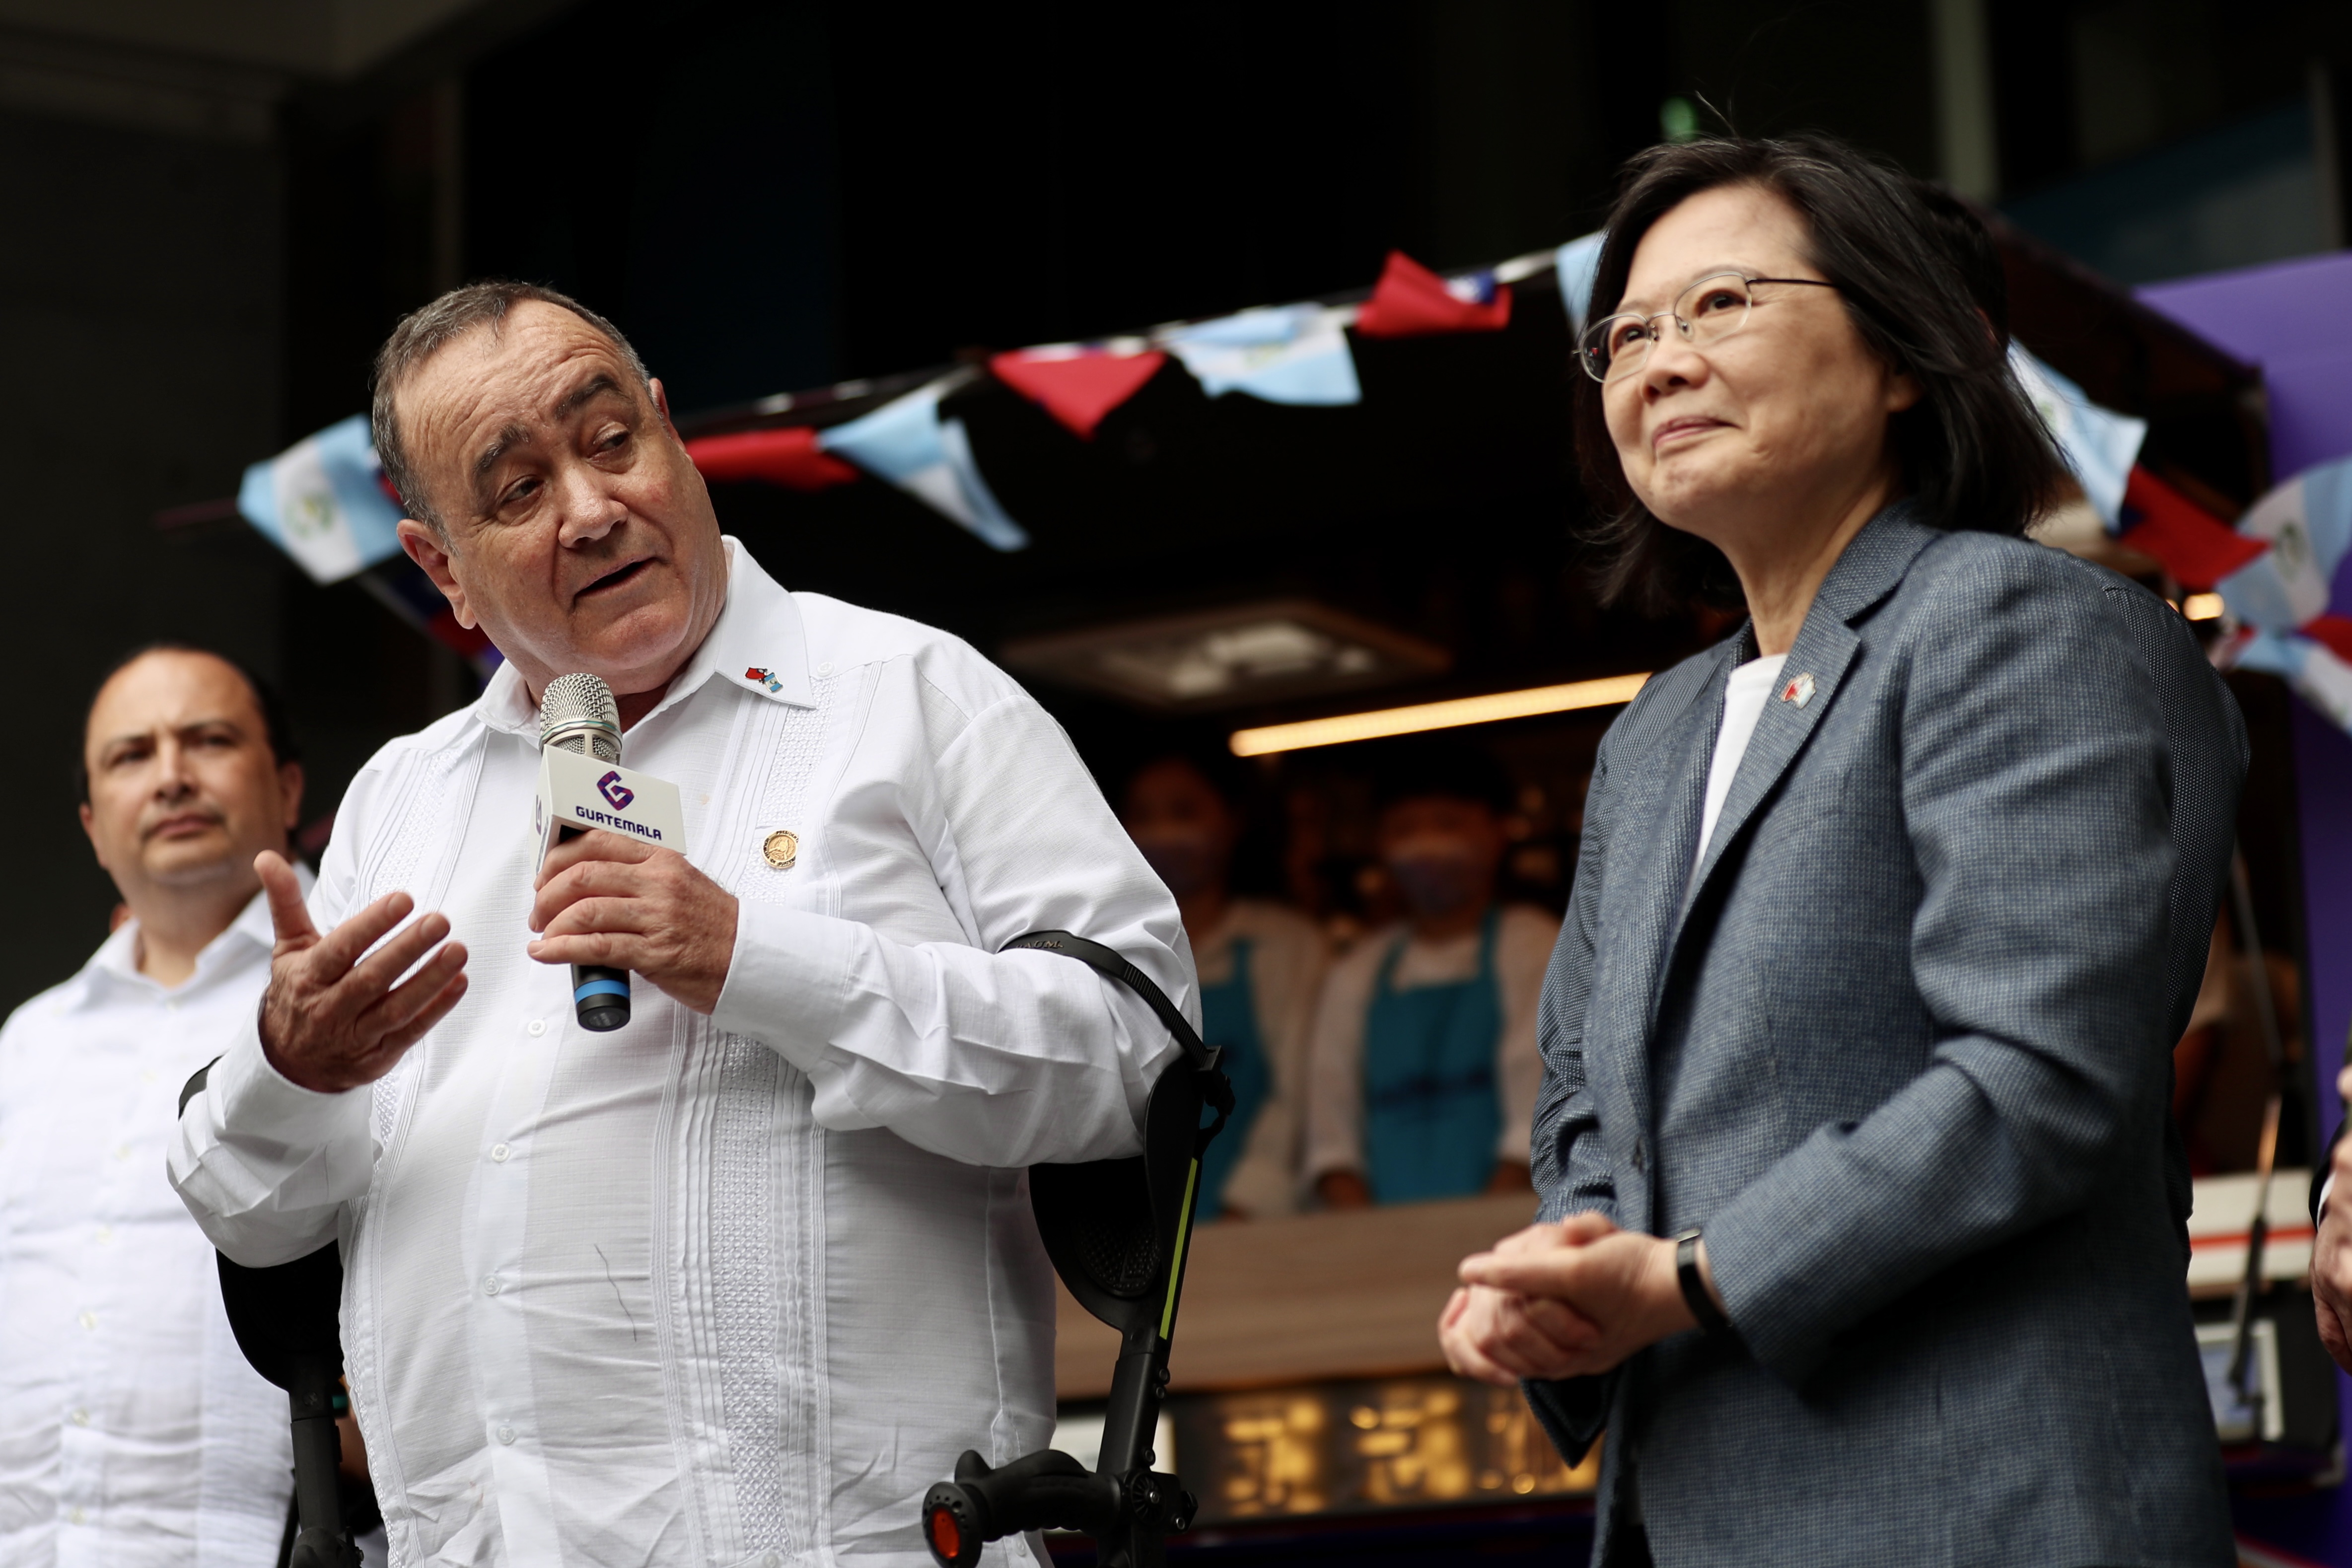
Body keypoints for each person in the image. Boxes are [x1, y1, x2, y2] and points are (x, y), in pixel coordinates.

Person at [168, 283, 1192, 1567]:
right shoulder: (401, 798)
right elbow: (254, 1216)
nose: (593, 508)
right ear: (443, 570)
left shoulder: (912, 695)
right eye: (519, 489)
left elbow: (1140, 1060)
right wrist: (290, 1067)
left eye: (612, 442)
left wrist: (754, 957)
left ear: (673, 434)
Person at [1436, 136, 2242, 1566]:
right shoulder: (1656, 729)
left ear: (1906, 356)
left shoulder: (2014, 623)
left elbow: (2039, 1077)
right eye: (1625, 334)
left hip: (1987, 1506)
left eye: (1720, 304)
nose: (1659, 364)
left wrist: (1689, 1277)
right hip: (1698, 1510)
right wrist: (1565, 1274)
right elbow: (1579, 1100)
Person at [0, 646, 304, 1564]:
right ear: (94, 828)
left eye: (208, 740)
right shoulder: (30, 1041)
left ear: (288, 788)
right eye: (131, 755)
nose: (171, 776)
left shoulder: (353, 993)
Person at [1304, 743, 1558, 1208]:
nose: (1427, 846)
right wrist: (1376, 1239)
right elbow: (1332, 1143)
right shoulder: (1355, 972)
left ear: (1499, 832)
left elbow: (1537, 1121)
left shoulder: (1533, 945)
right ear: (1380, 845)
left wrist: (1478, 1234)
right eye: (1406, 830)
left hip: (1515, 1225)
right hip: (1377, 1241)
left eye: (1448, 824)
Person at [1119, 753, 1324, 1218]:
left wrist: (1245, 1204)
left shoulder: (1286, 944)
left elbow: (1297, 1095)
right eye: (1144, 816)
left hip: (1258, 1225)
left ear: (1234, 821)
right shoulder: (1110, 956)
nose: (1163, 833)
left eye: (1183, 812)